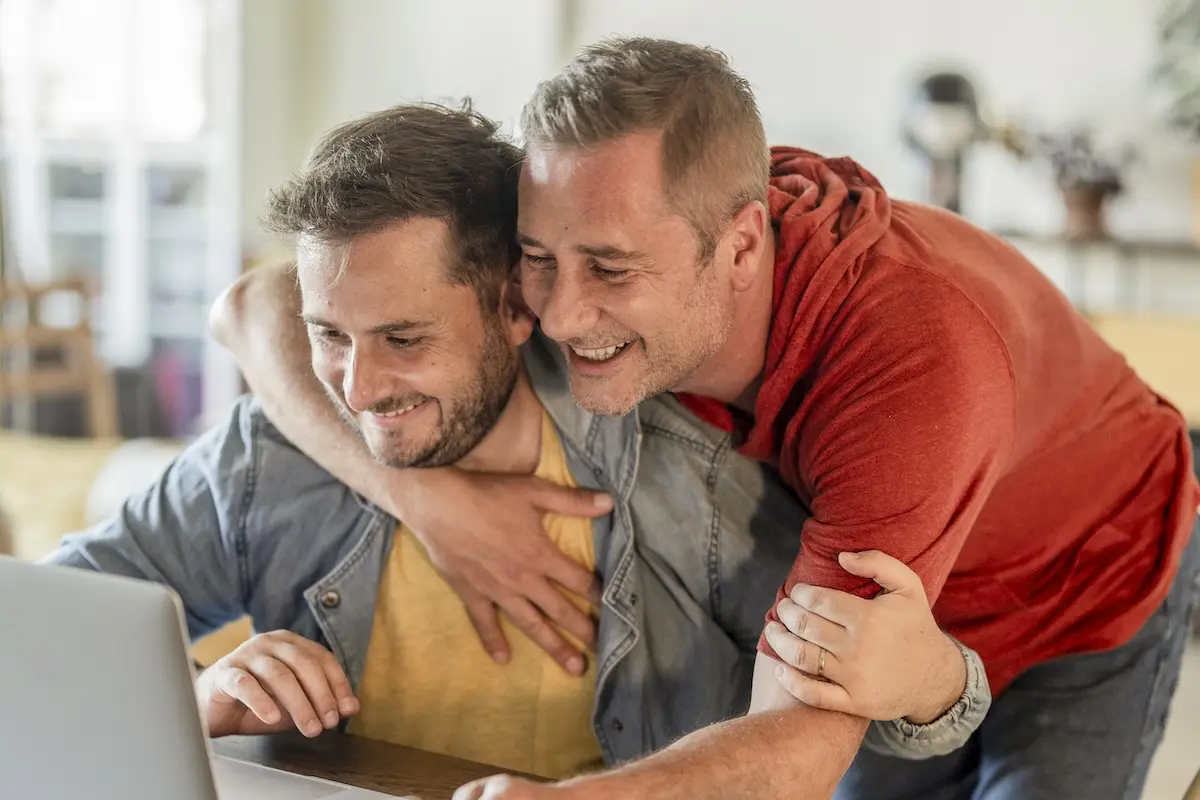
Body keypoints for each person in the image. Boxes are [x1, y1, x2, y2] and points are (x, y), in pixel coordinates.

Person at [221, 39, 1200, 800]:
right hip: (894, 605)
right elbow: (255, 307)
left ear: (739, 247)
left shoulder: (908, 367)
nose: (559, 317)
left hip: (1089, 579)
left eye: (610, 270)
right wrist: (424, 498)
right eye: (540, 260)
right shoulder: (612, 215)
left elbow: (798, 746)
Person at [43, 104, 985, 784]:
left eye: (404, 339)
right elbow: (38, 637)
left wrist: (937, 683)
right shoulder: (272, 457)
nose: (357, 391)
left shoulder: (680, 469)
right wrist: (195, 697)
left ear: (515, 306)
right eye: (329, 334)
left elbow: (882, 724)